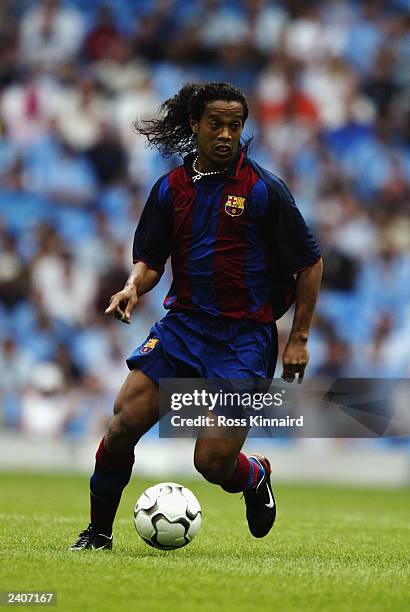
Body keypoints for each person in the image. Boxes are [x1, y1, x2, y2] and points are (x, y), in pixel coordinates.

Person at [70, 82, 323, 550]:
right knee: (123, 423)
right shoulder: (170, 189)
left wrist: (299, 337)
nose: (226, 135)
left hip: (243, 340)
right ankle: (98, 534)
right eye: (216, 124)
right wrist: (131, 288)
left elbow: (309, 262)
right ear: (194, 125)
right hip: (184, 327)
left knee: (211, 463)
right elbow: (150, 261)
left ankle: (255, 475)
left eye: (235, 125)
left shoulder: (265, 190)